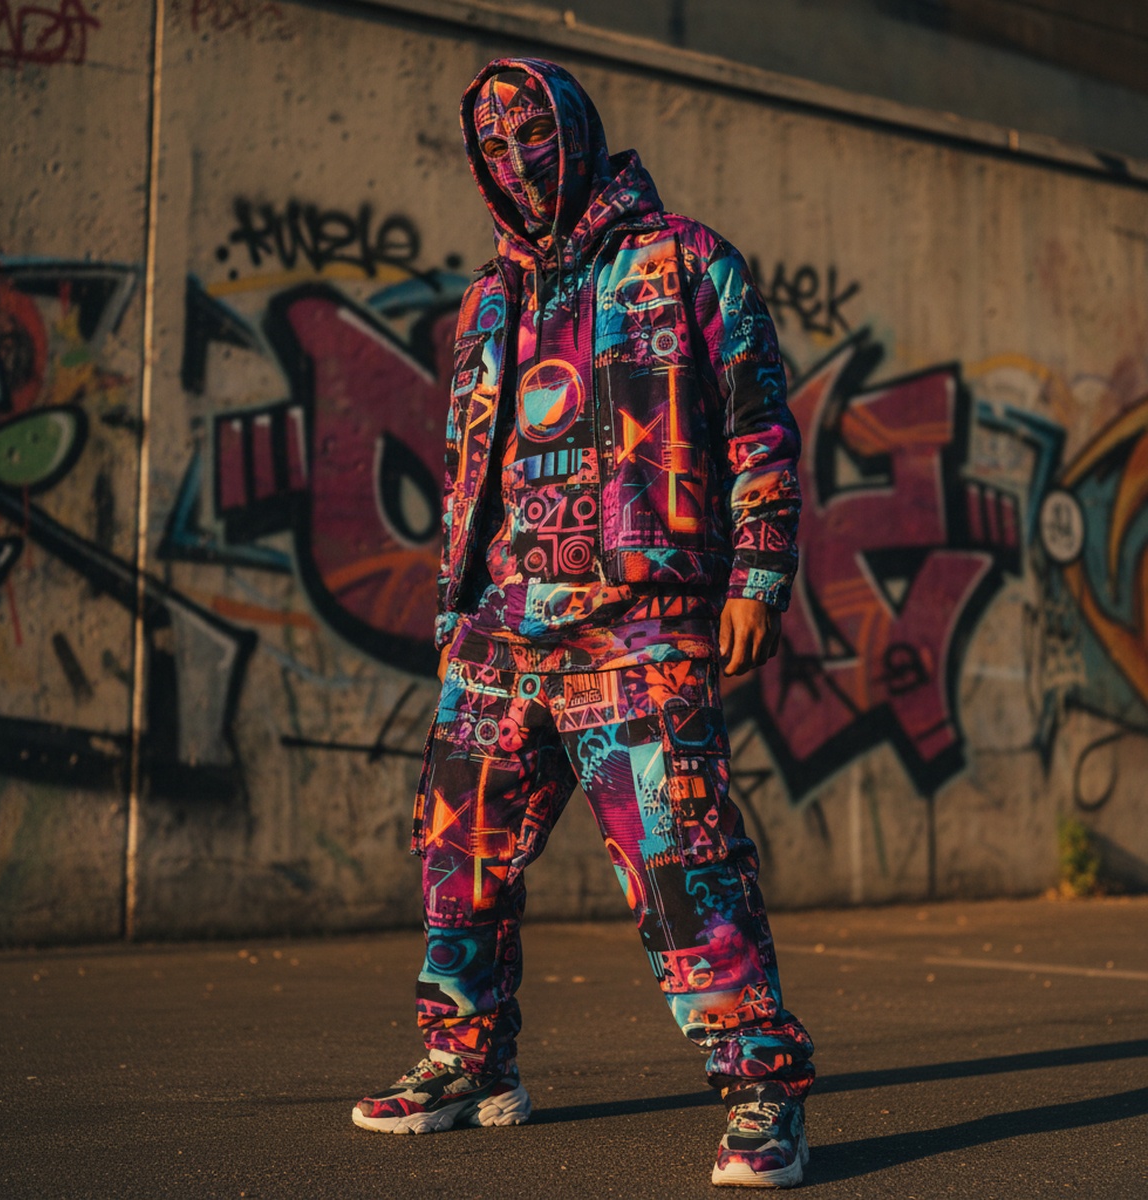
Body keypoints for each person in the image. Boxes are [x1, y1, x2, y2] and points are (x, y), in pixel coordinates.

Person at [352, 57, 813, 1188]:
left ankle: (762, 1091)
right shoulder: (487, 296)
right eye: (493, 146)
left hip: (638, 622)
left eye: (533, 135)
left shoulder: (685, 261)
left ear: (578, 131)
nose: (517, 160)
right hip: (500, 629)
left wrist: (756, 578)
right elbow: (481, 462)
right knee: (454, 852)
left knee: (680, 858)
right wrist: (458, 606)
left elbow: (758, 425)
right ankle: (468, 1063)